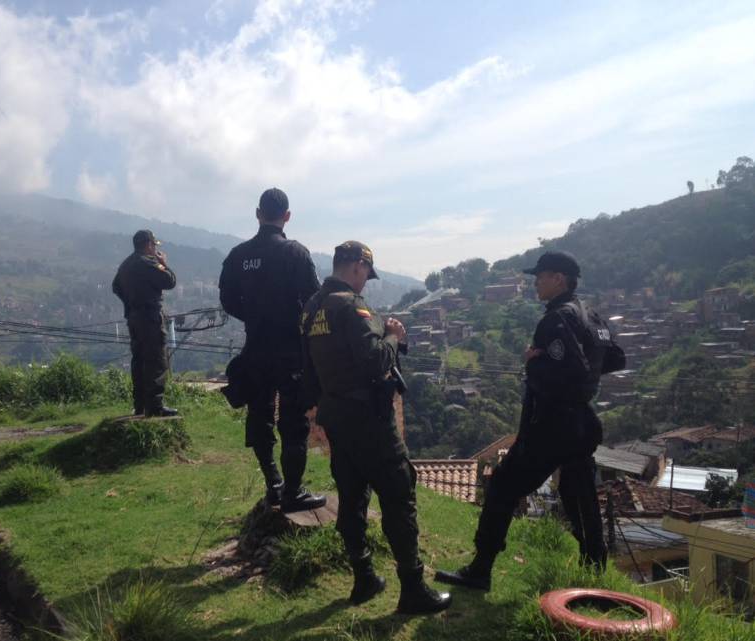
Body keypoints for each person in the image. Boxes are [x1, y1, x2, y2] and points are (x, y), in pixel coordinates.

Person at [436, 251, 617, 591]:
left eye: (541, 276)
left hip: (551, 424)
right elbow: (614, 357)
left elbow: (569, 371)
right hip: (582, 423)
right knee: (579, 494)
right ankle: (594, 571)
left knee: (503, 486)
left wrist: (534, 363)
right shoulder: (591, 316)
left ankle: (480, 570)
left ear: (558, 279)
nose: (535, 282)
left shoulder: (556, 319)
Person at [301, 241, 452, 614]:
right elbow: (373, 361)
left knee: (352, 497)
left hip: (336, 415)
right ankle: (413, 588)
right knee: (399, 495)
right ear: (356, 266)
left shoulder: (312, 307)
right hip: (369, 418)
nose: (366, 280)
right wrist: (393, 336)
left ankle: (364, 576)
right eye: (366, 273)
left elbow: (311, 365)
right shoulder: (351, 305)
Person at [219, 188, 325, 514]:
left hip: (256, 348)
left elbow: (227, 300)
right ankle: (293, 491)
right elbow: (314, 301)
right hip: (291, 350)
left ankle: (273, 484)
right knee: (294, 422)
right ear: (287, 216)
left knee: (260, 415)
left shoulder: (238, 255)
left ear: (258, 213)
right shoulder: (296, 253)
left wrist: (253, 316)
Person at [112, 229, 179, 417]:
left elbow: (115, 287)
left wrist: (130, 301)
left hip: (133, 317)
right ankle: (155, 405)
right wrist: (164, 264)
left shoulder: (125, 265)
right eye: (153, 246)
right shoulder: (149, 263)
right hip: (150, 317)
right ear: (149, 244)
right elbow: (169, 281)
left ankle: (140, 405)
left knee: (139, 360)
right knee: (156, 360)